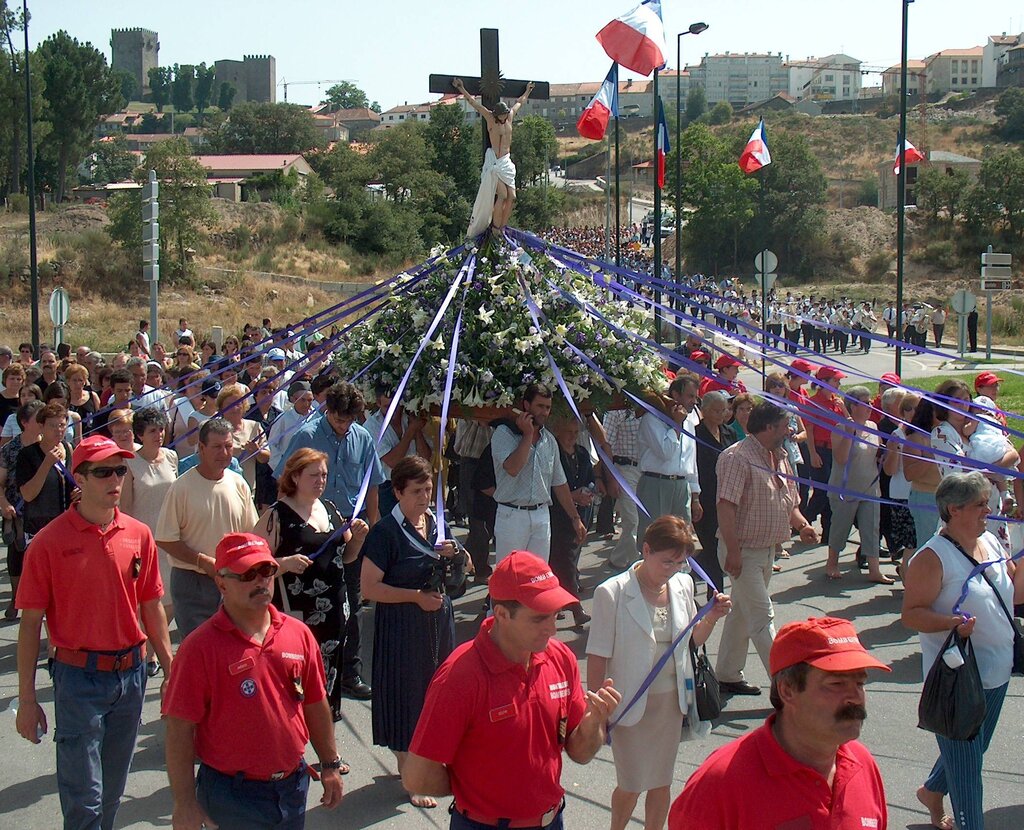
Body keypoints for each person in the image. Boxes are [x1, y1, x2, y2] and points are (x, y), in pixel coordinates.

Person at [16, 434, 172, 830]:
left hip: (132, 677)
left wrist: (171, 668)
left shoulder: (139, 534)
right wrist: (28, 699)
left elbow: (151, 606)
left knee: (111, 796)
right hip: (78, 681)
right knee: (85, 801)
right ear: (79, 478)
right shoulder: (49, 543)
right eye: (103, 472)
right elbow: (31, 625)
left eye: (120, 470)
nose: (115, 480)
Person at [402, 550, 622, 829]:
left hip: (552, 820)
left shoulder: (560, 658)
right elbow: (417, 776)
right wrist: (474, 793)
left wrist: (593, 722)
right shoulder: (460, 675)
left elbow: (579, 752)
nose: (553, 629)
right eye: (539, 619)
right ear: (502, 614)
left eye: (556, 616)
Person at [162, 532, 344, 830]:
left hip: (292, 788)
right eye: (247, 574)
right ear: (221, 583)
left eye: (267, 571)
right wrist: (184, 804)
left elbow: (314, 702)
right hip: (231, 797)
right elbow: (179, 730)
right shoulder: (199, 648)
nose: (260, 581)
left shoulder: (297, 634)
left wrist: (329, 765)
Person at [668, 616, 890, 829]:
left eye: (860, 683)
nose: (855, 697)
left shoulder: (863, 766)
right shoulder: (722, 783)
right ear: (787, 690)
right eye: (836, 684)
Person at [587, 516, 731, 830]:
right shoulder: (611, 592)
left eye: (681, 563)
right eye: (667, 561)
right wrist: (595, 710)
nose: (674, 569)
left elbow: (692, 641)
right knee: (631, 782)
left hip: (671, 703)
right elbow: (597, 656)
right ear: (646, 550)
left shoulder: (682, 584)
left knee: (662, 781)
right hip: (628, 704)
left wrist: (713, 617)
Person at [902, 472, 1024, 830]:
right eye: (981, 504)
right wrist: (952, 622)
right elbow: (911, 615)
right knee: (969, 772)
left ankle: (932, 790)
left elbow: (1014, 595)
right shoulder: (930, 558)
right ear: (954, 510)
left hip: (997, 672)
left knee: (971, 753)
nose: (990, 509)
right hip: (958, 680)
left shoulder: (989, 540)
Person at [361, 455, 463, 809]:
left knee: (436, 692)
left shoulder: (435, 524)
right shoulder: (385, 533)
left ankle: (427, 759)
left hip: (437, 622)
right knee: (407, 695)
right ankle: (409, 769)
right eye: (417, 491)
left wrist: (456, 554)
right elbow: (369, 588)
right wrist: (415, 598)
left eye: (429, 489)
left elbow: (460, 569)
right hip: (403, 623)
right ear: (398, 492)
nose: (424, 497)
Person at [278, 381, 384, 700]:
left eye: (350, 420)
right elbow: (284, 482)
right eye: (339, 419)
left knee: (349, 601)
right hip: (312, 530)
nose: (344, 425)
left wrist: (374, 522)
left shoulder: (362, 438)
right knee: (307, 601)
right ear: (328, 410)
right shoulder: (307, 436)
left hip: (348, 533)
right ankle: (300, 669)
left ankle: (349, 671)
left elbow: (373, 482)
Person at [253, 447, 368, 724]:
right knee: (295, 682)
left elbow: (347, 556)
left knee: (327, 680)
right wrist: (285, 564)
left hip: (333, 612)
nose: (321, 481)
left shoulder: (330, 509)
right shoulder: (277, 515)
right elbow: (254, 563)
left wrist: (359, 539)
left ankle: (327, 753)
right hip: (296, 613)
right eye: (313, 475)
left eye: (324, 475)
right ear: (294, 477)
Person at [715, 401, 819, 696]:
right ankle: (788, 688)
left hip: (766, 550)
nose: (790, 431)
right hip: (743, 551)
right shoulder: (736, 457)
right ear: (770, 426)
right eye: (786, 425)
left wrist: (802, 526)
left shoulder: (781, 456)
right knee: (763, 617)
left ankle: (726, 673)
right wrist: (733, 551)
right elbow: (725, 506)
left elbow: (789, 503)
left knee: (741, 614)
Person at [156, 418, 259, 639]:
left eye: (228, 446)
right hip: (193, 581)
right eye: (216, 446)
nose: (223, 452)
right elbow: (165, 538)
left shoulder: (238, 484)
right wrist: (202, 561)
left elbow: (251, 533)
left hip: (233, 579)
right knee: (199, 650)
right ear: (201, 448)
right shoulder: (181, 488)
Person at [490, 383, 585, 563]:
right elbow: (512, 468)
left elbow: (559, 483)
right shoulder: (504, 434)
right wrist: (527, 435)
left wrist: (575, 518)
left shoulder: (549, 440)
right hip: (512, 515)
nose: (544, 412)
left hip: (541, 516)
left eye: (547, 407)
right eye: (540, 406)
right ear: (526, 405)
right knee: (509, 577)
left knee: (538, 577)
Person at [121, 407, 179, 649]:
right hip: (141, 540)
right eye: (152, 430)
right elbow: (123, 508)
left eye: (161, 429)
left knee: (170, 595)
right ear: (140, 435)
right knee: (144, 597)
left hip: (169, 537)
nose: (159, 435)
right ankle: (147, 648)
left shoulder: (171, 457)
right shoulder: (129, 463)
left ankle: (155, 640)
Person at [825, 385, 894, 585]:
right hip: (845, 489)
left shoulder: (873, 426)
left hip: (870, 488)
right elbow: (840, 458)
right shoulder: (840, 428)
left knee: (871, 528)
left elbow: (875, 453)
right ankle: (832, 563)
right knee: (840, 527)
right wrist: (849, 433)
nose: (870, 406)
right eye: (865, 403)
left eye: (870, 402)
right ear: (852, 406)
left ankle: (874, 570)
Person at [454, 76, 536, 236]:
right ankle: (496, 228)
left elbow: (520, 102)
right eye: (502, 115)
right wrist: (461, 88)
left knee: (512, 196)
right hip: (495, 162)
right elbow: (474, 103)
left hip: (506, 161)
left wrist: (528, 90)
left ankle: (502, 227)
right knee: (503, 195)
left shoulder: (510, 117)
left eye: (506, 114)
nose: (505, 116)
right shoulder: (490, 118)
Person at [636, 374, 702, 546]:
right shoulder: (652, 419)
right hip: (656, 483)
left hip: (681, 486)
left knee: (681, 539)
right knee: (655, 538)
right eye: (690, 396)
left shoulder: (689, 423)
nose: (694, 401)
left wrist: (695, 497)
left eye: (696, 396)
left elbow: (691, 461)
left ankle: (679, 571)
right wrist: (676, 425)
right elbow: (666, 452)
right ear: (675, 395)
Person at [0, 400, 44, 620]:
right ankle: (16, 598)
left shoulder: (51, 447)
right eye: (39, 418)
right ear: (25, 423)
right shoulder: (9, 450)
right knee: (16, 555)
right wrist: (4, 504)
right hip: (16, 511)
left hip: (43, 510)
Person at [692, 390, 737, 597]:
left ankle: (697, 571)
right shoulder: (694, 433)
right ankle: (715, 592)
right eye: (716, 411)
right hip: (706, 497)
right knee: (711, 546)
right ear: (705, 411)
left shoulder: (730, 433)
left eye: (724, 410)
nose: (721, 415)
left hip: (727, 497)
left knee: (723, 546)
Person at [16, 402, 75, 548]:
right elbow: (28, 495)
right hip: (39, 526)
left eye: (62, 425)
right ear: (41, 426)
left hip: (67, 523)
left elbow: (74, 480)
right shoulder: (27, 454)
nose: (58, 430)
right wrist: (46, 464)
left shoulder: (68, 448)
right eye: (52, 426)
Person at [603, 406, 644, 570]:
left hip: (646, 470)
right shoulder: (615, 412)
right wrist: (611, 478)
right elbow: (606, 445)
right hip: (624, 469)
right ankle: (639, 566)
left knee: (641, 521)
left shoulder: (648, 408)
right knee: (632, 520)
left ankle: (618, 557)